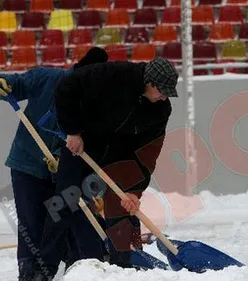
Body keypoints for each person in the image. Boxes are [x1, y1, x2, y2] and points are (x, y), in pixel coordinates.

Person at [39, 57, 177, 276]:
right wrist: (73, 131)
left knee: (123, 208)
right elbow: (67, 88)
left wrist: (134, 190)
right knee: (63, 202)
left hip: (119, 156)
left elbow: (149, 151)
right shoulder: (114, 74)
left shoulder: (161, 110)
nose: (164, 97)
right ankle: (43, 269)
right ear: (149, 82)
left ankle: (123, 268)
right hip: (83, 143)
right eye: (162, 90)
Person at [0, 47, 109, 281]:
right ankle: (30, 272)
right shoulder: (47, 78)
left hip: (63, 172)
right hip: (27, 165)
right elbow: (15, 84)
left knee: (67, 217)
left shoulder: (91, 100)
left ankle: (78, 270)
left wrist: (61, 158)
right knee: (30, 221)